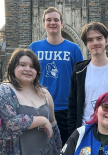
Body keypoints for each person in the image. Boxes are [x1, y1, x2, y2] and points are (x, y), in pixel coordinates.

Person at [29, 7, 83, 145]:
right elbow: (27, 76)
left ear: (62, 24)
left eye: (56, 20)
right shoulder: (34, 47)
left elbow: (81, 78)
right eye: (48, 20)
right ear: (44, 23)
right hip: (40, 107)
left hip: (66, 108)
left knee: (66, 149)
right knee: (42, 149)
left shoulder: (73, 48)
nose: (52, 23)